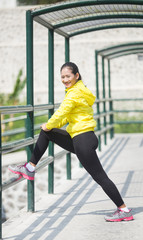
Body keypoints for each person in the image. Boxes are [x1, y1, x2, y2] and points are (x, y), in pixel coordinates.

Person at [9, 62, 133, 222]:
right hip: (82, 138)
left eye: (68, 76)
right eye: (62, 77)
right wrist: (50, 127)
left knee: (100, 177)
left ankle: (124, 209)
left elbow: (62, 112)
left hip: (83, 141)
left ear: (76, 75)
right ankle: (30, 167)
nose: (65, 79)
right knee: (47, 133)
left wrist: (49, 124)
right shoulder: (79, 90)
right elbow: (67, 117)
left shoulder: (74, 93)